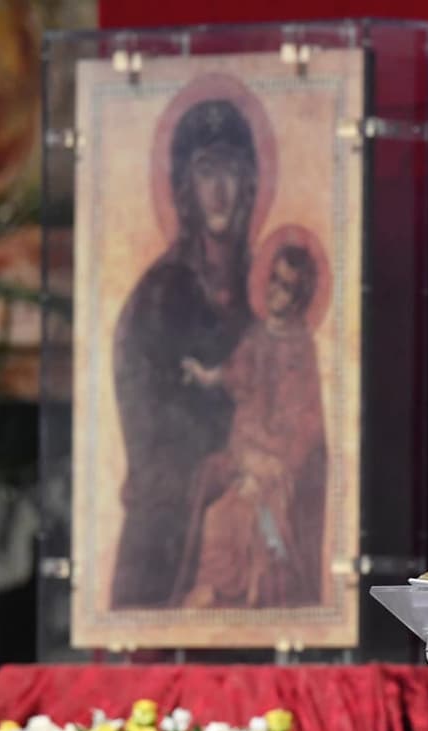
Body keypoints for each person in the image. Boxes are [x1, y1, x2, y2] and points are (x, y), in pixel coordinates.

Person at [110, 99, 258, 608]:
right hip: (171, 526)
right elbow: (148, 421)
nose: (220, 189)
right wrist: (207, 466)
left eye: (231, 170)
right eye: (205, 170)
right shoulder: (161, 293)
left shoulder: (267, 285)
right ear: (185, 187)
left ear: (250, 182)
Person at [173, 243, 327, 608]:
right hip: (246, 453)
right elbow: (233, 375)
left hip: (279, 465)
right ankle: (213, 586)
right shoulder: (257, 335)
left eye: (288, 287)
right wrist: (205, 375)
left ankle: (231, 590)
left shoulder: (302, 347)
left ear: (300, 296)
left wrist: (273, 464)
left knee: (236, 516)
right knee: (216, 508)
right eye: (274, 280)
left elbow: (307, 420)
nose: (277, 291)